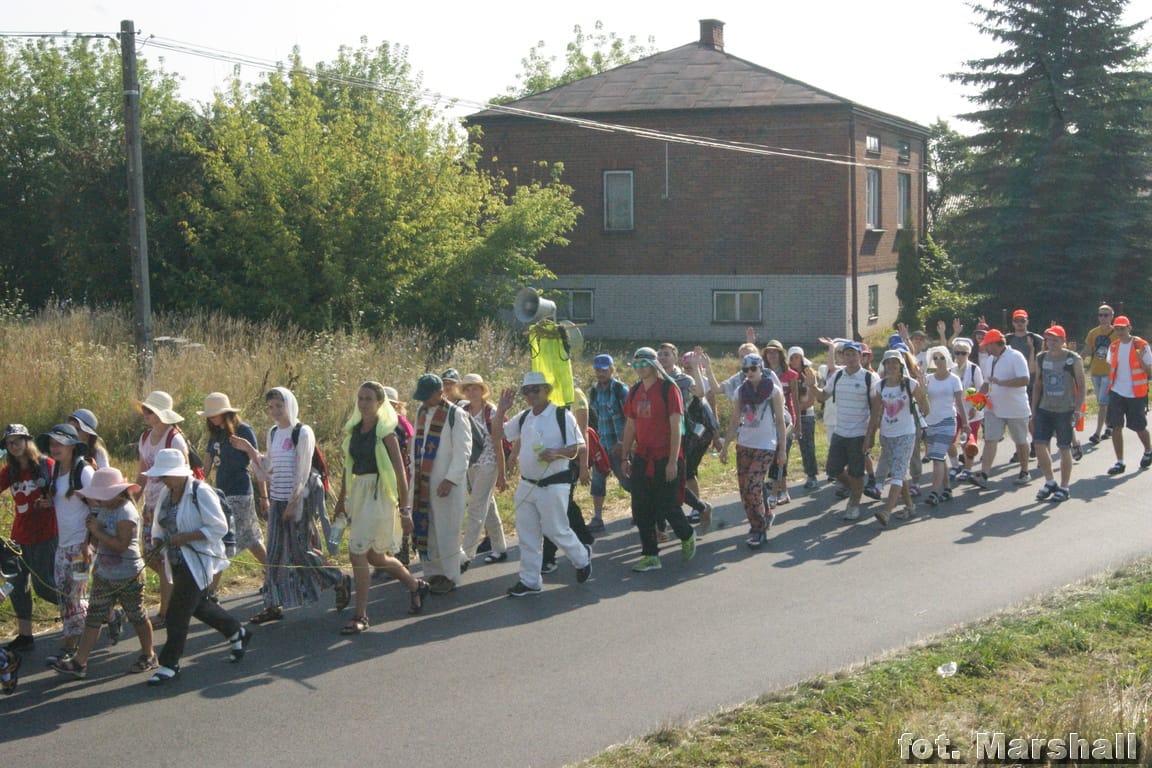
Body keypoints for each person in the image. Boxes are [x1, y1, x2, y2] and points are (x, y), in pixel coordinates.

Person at [234, 387, 349, 624]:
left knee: (301, 552)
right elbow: (268, 468)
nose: (275, 411)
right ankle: (272, 604)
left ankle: (338, 579)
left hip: (297, 503)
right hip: (278, 499)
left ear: (289, 404)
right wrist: (250, 451)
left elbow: (302, 473)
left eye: (279, 406)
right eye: (271, 407)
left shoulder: (302, 432)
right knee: (274, 552)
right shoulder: (274, 432)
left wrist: (293, 503)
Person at [142, 448, 251, 685]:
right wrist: (157, 540)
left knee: (176, 613)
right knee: (199, 606)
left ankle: (169, 663)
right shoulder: (167, 492)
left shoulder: (200, 492)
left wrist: (186, 537)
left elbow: (219, 527)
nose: (162, 479)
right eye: (160, 475)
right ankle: (236, 630)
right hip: (176, 560)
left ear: (179, 473)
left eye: (165, 475)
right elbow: (160, 523)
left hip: (197, 561)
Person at [332, 382, 428, 633]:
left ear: (379, 403)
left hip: (379, 495)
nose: (363, 403)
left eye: (368, 399)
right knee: (375, 557)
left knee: (357, 553)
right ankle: (415, 586)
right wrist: (341, 501)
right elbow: (348, 468)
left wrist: (405, 510)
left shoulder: (386, 433)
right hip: (360, 494)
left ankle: (360, 615)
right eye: (360, 398)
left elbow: (400, 473)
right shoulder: (354, 430)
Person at [51, 467, 157, 678]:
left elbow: (121, 545)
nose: (98, 500)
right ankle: (80, 662)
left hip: (128, 575)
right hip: (104, 573)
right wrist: (89, 543)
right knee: (94, 616)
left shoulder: (126, 512)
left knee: (136, 615)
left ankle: (149, 655)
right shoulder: (104, 508)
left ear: (117, 493)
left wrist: (97, 531)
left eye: (102, 495)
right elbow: (97, 536)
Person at [493, 372, 592, 596]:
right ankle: (530, 581)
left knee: (555, 529)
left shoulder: (562, 415)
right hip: (527, 485)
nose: (530, 394)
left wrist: (556, 453)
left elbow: (580, 446)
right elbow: (497, 434)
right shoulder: (524, 416)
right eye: (526, 391)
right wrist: (501, 410)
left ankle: (581, 558)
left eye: (535, 389)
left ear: (547, 390)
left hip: (554, 484)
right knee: (527, 535)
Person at [619, 347, 697, 573]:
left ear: (654, 365)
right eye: (636, 364)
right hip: (642, 456)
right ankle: (651, 555)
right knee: (640, 507)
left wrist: (673, 461)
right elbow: (630, 425)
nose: (640, 368)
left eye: (644, 364)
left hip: (665, 456)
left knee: (667, 504)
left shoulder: (669, 389)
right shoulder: (634, 391)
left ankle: (686, 534)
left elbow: (676, 427)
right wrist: (625, 456)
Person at [35, 424, 96, 664]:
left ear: (73, 445)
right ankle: (109, 616)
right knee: (64, 594)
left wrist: (88, 544)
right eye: (52, 444)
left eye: (60, 443)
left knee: (75, 594)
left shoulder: (84, 471)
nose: (55, 448)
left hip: (81, 545)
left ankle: (71, 647)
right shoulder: (56, 470)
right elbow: (63, 502)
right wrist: (48, 503)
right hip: (63, 544)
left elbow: (96, 508)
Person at [200, 393, 268, 600]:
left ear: (226, 412)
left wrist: (264, 496)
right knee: (251, 539)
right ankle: (276, 575)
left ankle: (211, 591)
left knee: (226, 540)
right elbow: (206, 467)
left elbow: (257, 463)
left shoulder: (243, 430)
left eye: (215, 413)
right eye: (209, 415)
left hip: (240, 492)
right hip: (222, 493)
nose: (211, 418)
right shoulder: (215, 435)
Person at [408, 374, 471, 595]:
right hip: (423, 484)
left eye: (428, 397)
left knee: (447, 532)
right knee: (428, 529)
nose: (424, 401)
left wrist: (450, 479)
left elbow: (463, 451)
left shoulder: (456, 414)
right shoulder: (421, 412)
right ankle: (432, 573)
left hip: (447, 485)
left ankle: (450, 576)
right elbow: (416, 446)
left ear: (440, 393)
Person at [719, 353, 786, 548]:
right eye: (745, 369)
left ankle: (759, 529)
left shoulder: (773, 391)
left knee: (752, 486)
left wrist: (782, 450)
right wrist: (725, 446)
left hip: (765, 445)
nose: (749, 372)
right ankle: (760, 520)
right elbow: (734, 421)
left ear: (761, 368)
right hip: (744, 444)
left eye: (753, 368)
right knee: (744, 490)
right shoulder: (740, 391)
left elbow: (780, 422)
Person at [1, 424, 56, 653]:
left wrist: (52, 501)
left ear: (27, 441)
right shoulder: (10, 471)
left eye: (17, 441)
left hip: (45, 535)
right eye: (9, 443)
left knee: (45, 587)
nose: (13, 446)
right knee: (17, 586)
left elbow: (65, 494)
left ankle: (86, 611)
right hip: (19, 537)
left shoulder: (46, 465)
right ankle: (25, 635)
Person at [135, 390, 188, 629]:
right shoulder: (145, 437)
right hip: (150, 505)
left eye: (149, 411)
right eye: (145, 410)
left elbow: (184, 475)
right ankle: (180, 589)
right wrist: (134, 498)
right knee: (149, 555)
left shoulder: (174, 439)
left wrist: (178, 507)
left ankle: (166, 613)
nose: (145, 414)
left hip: (169, 506)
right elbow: (142, 472)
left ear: (160, 414)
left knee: (165, 560)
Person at [812, 342, 876, 521]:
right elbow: (823, 396)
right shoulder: (838, 375)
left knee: (856, 472)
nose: (850, 358)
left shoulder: (869, 378)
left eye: (854, 354)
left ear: (860, 356)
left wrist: (870, 435)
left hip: (859, 434)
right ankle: (857, 490)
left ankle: (854, 504)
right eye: (847, 354)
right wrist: (811, 386)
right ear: (842, 357)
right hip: (840, 432)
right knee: (833, 469)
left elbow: (876, 409)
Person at [867, 351, 930, 526]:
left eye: (895, 362)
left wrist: (923, 394)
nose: (891, 366)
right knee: (899, 472)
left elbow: (926, 408)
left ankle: (887, 511)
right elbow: (875, 413)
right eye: (888, 363)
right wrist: (870, 437)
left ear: (901, 365)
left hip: (906, 434)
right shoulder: (880, 386)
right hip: (887, 435)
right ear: (884, 365)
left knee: (897, 473)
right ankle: (910, 507)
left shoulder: (910, 384)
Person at [457, 374, 509, 565]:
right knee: (489, 507)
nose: (471, 392)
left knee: (476, 508)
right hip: (471, 464)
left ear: (482, 390)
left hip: (489, 463)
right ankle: (500, 548)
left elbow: (498, 444)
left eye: (475, 388)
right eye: (468, 389)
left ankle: (466, 556)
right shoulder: (462, 411)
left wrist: (502, 474)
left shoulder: (491, 412)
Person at [971, 329, 1032, 488]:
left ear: (995, 344)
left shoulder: (1016, 356)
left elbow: (1024, 379)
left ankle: (1024, 471)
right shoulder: (990, 360)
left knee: (1020, 441)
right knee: (990, 439)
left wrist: (1002, 383)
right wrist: (976, 405)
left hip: (1015, 408)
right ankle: (984, 475)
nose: (985, 348)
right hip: (994, 408)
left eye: (987, 345)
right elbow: (986, 384)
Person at [1031, 326, 1085, 500]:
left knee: (1063, 448)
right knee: (1039, 444)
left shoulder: (1072, 358)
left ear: (1063, 341)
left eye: (1055, 340)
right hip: (1045, 408)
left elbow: (1082, 385)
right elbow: (1037, 385)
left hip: (1065, 410)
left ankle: (1064, 487)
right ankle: (1049, 481)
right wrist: (1033, 411)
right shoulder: (1041, 357)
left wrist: (1078, 410)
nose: (1052, 343)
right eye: (1049, 340)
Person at [1104, 316, 1152, 475]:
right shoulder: (1113, 346)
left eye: (1122, 328)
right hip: (1117, 391)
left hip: (1136, 393)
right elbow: (1112, 367)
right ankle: (1120, 462)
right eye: (1117, 328)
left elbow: (1149, 371)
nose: (1120, 331)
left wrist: (1140, 359)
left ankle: (1148, 450)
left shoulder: (1141, 345)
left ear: (1129, 328)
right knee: (1116, 426)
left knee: (1139, 427)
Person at [587, 354, 629, 532]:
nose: (601, 373)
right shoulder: (594, 391)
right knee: (597, 482)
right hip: (602, 446)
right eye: (598, 370)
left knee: (627, 482)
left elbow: (631, 418)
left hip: (620, 445)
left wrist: (622, 442)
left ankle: (642, 511)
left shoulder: (621, 390)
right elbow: (593, 417)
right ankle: (597, 518)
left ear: (612, 369)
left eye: (604, 369)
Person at [922, 346, 967, 506]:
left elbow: (959, 403)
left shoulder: (954, 379)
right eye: (935, 358)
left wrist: (966, 423)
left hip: (947, 421)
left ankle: (934, 492)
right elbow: (922, 398)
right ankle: (947, 489)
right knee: (939, 457)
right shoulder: (928, 378)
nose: (938, 361)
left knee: (936, 458)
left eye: (941, 357)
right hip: (930, 422)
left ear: (947, 359)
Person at [948, 338, 984, 481]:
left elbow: (981, 390)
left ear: (968, 354)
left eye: (963, 353)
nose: (960, 356)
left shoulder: (974, 369)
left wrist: (975, 408)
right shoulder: (951, 369)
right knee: (949, 439)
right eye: (957, 353)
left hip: (971, 411)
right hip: (954, 409)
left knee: (966, 440)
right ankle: (955, 465)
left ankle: (968, 469)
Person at [788, 347, 820, 491]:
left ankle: (812, 476)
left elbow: (811, 401)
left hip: (805, 415)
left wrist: (795, 409)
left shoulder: (809, 373)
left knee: (807, 447)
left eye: (797, 357)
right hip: (788, 417)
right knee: (783, 447)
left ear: (802, 358)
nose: (794, 360)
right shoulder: (786, 374)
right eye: (792, 358)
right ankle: (778, 478)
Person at [1084, 305, 1117, 445]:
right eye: (1101, 315)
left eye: (1106, 315)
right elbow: (1087, 349)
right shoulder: (1093, 332)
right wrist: (1075, 360)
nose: (1103, 318)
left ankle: (1097, 433)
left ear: (1111, 317)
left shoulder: (1116, 333)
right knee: (1102, 402)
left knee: (1102, 403)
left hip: (1109, 373)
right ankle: (1110, 426)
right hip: (1095, 372)